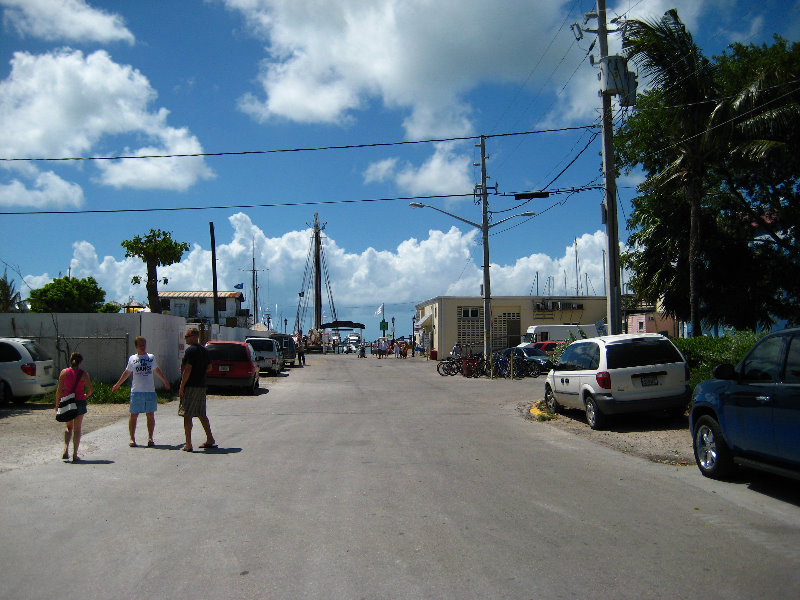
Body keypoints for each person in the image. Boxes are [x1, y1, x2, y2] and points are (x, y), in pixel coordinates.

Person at [112, 336, 170, 448]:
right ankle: (132, 438)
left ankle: (150, 438)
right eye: (140, 345)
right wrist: (117, 384)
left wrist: (165, 381)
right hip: (137, 391)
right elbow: (127, 373)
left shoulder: (151, 358)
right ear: (136, 346)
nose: (142, 347)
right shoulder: (132, 359)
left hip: (149, 391)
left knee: (150, 415)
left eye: (144, 344)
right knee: (134, 415)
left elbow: (157, 370)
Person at [178, 327, 215, 452]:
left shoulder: (191, 351)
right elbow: (209, 367)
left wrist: (182, 386)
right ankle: (210, 438)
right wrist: (200, 372)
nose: (185, 339)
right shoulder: (204, 350)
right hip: (201, 385)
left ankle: (188, 444)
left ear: (194, 336)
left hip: (191, 386)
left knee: (187, 414)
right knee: (201, 413)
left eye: (187, 336)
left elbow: (187, 369)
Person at [55, 352, 93, 463]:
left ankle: (65, 449)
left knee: (68, 427)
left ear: (70, 360)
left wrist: (57, 404)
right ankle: (75, 455)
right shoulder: (83, 374)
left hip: (67, 402)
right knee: (77, 429)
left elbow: (59, 391)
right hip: (80, 401)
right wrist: (86, 395)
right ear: (80, 362)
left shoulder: (64, 372)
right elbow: (90, 389)